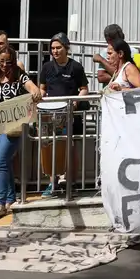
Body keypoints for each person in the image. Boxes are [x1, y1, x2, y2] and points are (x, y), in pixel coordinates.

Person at [0, 46, 41, 218]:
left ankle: (0, 202)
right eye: (1, 61)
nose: (5, 65)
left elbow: (34, 89)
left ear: (14, 61)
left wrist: (35, 93)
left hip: (12, 127)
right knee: (4, 162)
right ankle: (11, 199)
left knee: (0, 161)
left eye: (8, 61)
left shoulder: (19, 75)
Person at [38, 33, 89, 197]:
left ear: (66, 48)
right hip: (51, 115)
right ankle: (52, 184)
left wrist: (76, 101)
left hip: (70, 115)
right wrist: (41, 100)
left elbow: (84, 89)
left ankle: (70, 183)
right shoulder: (46, 67)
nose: (55, 51)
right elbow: (42, 89)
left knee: (71, 148)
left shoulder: (76, 67)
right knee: (51, 148)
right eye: (52, 48)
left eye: (58, 47)